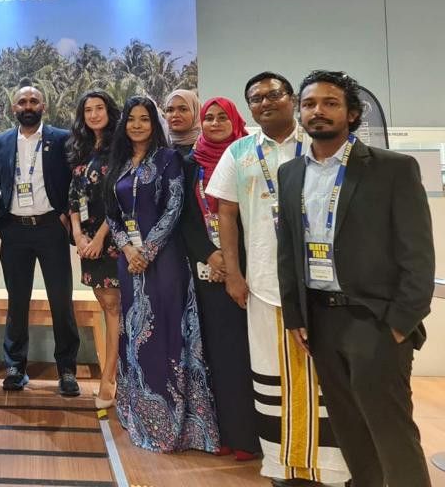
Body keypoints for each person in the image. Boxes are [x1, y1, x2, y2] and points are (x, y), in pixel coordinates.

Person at [277, 71, 434, 487]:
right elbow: (288, 250)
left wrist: (400, 323)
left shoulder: (392, 169)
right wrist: (296, 315)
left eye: (330, 103)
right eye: (309, 104)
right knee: (349, 429)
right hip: (320, 321)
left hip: (375, 320)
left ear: (351, 113)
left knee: (390, 430)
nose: (318, 111)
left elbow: (418, 255)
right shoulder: (290, 174)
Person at [206, 72, 350, 486]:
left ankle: (334, 468)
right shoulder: (240, 151)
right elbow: (226, 214)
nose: (265, 102)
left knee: (326, 374)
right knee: (272, 373)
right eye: (256, 98)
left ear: (292, 99)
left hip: (324, 281)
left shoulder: (319, 144)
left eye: (274, 95)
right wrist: (234, 274)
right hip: (264, 281)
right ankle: (282, 463)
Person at [103, 96, 218, 453]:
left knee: (166, 331)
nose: (137, 125)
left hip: (165, 260)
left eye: (145, 119)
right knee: (134, 336)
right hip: (129, 264)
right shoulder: (118, 163)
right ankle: (138, 413)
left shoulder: (169, 159)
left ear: (155, 124)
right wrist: (128, 249)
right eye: (131, 119)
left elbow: (174, 207)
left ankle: (174, 424)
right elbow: (111, 214)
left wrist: (148, 251)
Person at [179, 97, 259, 460]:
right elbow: (185, 217)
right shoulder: (190, 163)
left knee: (244, 353)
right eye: (208, 117)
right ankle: (221, 432)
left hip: (246, 270)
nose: (214, 123)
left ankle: (249, 437)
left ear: (235, 120)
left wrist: (232, 261)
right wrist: (209, 254)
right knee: (214, 353)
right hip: (206, 270)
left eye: (221, 117)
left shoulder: (249, 157)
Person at [0, 85, 79, 396]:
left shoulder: (61, 138)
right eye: (22, 102)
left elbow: (75, 181)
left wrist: (67, 215)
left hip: (51, 228)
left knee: (61, 300)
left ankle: (67, 370)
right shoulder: (1, 141)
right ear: (14, 108)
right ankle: (15, 366)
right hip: (14, 231)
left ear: (44, 106)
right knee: (17, 301)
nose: (28, 106)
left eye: (34, 101)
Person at [66, 90, 122, 409]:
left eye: (99, 108)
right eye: (88, 110)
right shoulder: (82, 148)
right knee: (106, 305)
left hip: (112, 240)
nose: (94, 114)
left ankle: (109, 380)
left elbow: (120, 198)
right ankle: (116, 375)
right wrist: (77, 234)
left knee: (114, 307)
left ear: (109, 111)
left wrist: (100, 237)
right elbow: (74, 197)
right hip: (87, 242)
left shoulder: (120, 148)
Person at [163, 89, 201, 157]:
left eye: (183, 109)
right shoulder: (160, 147)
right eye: (170, 110)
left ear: (195, 112)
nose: (175, 115)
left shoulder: (208, 146)